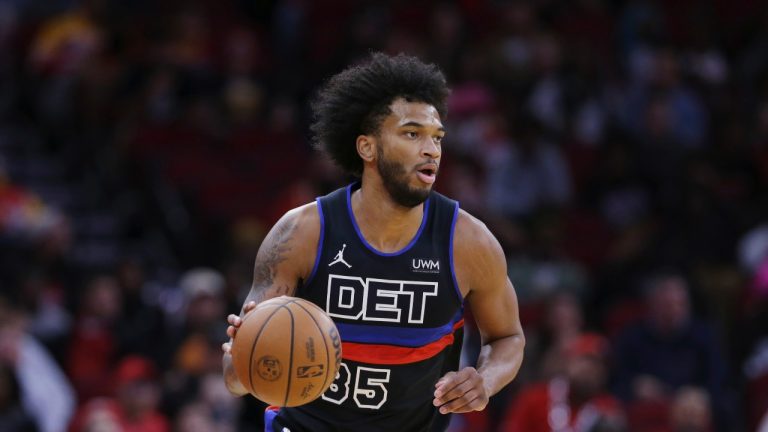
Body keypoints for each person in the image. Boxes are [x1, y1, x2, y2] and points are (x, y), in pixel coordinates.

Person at [221, 52, 525, 432]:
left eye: (436, 137)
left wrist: (485, 380)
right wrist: (242, 357)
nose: (431, 149)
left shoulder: (469, 241)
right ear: (367, 148)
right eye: (412, 134)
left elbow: (508, 336)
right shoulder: (302, 233)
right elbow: (237, 379)